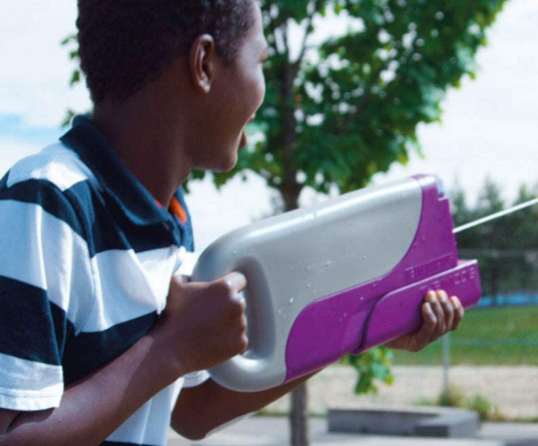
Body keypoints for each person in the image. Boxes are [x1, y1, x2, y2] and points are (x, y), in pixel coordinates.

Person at [0, 1, 465, 445]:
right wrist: (170, 348)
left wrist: (360, 321)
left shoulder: (170, 219)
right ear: (203, 64)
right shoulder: (46, 200)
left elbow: (192, 411)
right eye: (260, 60)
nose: (265, 92)